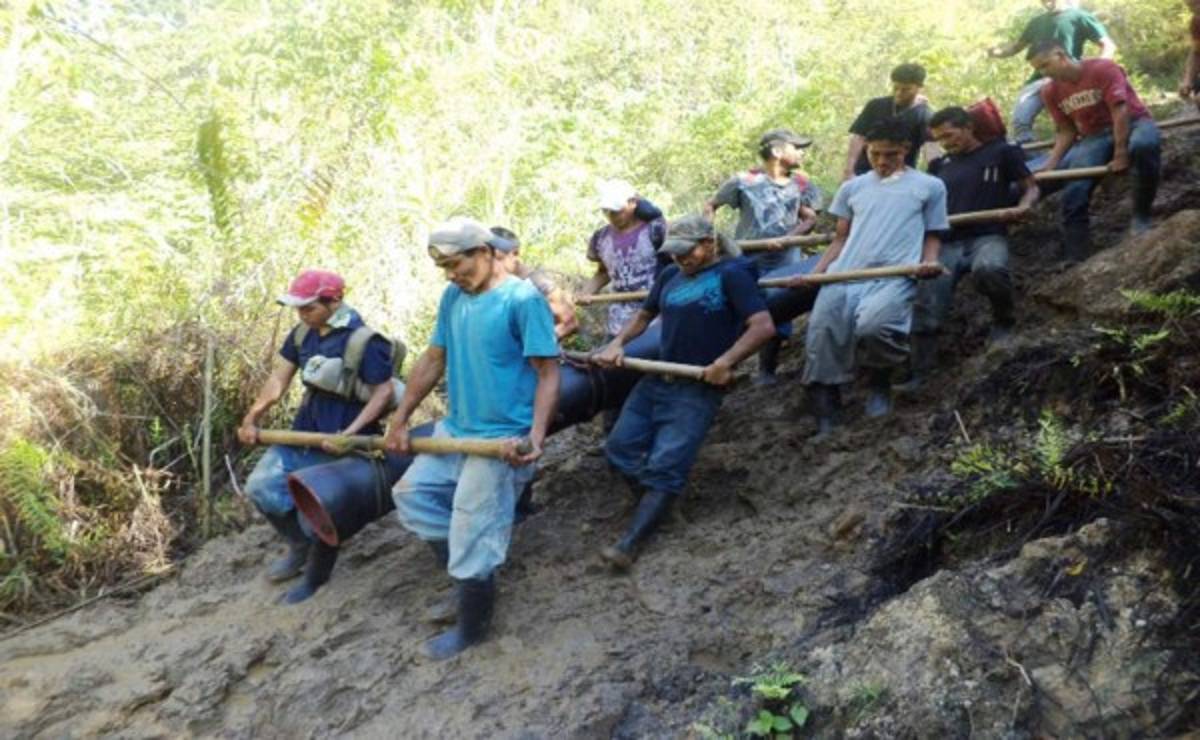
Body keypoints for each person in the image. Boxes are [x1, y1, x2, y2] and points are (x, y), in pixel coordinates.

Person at [385, 217, 559, 661]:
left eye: (456, 263)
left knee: (471, 529)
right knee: (412, 495)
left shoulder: (522, 301)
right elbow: (433, 357)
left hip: (501, 438)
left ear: (485, 252)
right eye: (443, 267)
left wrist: (535, 436)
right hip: (457, 430)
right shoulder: (452, 297)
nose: (450, 274)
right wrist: (401, 418)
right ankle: (470, 571)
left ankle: (473, 627)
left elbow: (547, 373)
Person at [592, 215, 775, 570]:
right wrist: (616, 343)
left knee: (665, 465)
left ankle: (629, 545)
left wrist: (726, 361)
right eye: (674, 253)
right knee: (619, 448)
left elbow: (762, 325)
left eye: (686, 251)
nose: (680, 258)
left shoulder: (733, 274)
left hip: (697, 386)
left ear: (709, 243)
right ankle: (663, 502)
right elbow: (644, 316)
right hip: (659, 376)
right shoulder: (669, 276)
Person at [237, 269, 397, 602]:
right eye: (299, 309)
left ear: (335, 300)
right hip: (304, 434)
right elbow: (278, 379)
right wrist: (253, 416)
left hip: (345, 444)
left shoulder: (365, 342)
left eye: (309, 308)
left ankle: (315, 576)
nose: (302, 315)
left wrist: (350, 435)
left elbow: (383, 393)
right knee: (261, 487)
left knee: (320, 510)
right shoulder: (301, 335)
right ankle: (298, 545)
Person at [785, 118, 947, 434]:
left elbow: (934, 232)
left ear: (906, 149)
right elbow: (840, 238)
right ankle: (827, 414)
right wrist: (816, 274)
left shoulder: (929, 186)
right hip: (845, 273)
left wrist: (929, 262)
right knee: (822, 334)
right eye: (875, 154)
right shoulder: (853, 188)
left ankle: (880, 383)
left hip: (895, 272)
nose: (882, 161)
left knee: (877, 326)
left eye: (891, 154)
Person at [902, 106, 1041, 389]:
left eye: (950, 135)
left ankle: (1004, 320)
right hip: (947, 241)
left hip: (988, 234)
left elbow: (1031, 187)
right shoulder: (939, 166)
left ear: (968, 127)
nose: (946, 142)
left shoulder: (1002, 152)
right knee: (927, 300)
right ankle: (920, 373)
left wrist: (1024, 207)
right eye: (940, 138)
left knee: (990, 268)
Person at [706, 128, 822, 384]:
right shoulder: (744, 181)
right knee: (743, 307)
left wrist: (788, 238)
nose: (801, 152)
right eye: (796, 147)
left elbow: (810, 217)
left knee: (782, 305)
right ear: (777, 151)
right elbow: (711, 205)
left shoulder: (801, 184)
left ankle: (766, 370)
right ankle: (721, 366)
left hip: (785, 257)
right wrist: (711, 238)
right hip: (748, 257)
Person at [1028, 39, 1161, 253]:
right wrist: (1052, 163)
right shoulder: (1050, 91)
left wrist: (1121, 152)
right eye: (1038, 69)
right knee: (1075, 186)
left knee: (1143, 146)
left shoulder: (1103, 68)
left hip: (1135, 122)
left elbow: (1120, 110)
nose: (1044, 73)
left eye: (1045, 65)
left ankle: (1141, 217)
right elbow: (1066, 130)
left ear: (1061, 55)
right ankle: (1077, 253)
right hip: (1094, 137)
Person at [987, 0, 1116, 144]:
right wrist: (997, 52)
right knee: (1020, 123)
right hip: (1037, 80)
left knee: (1068, 123)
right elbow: (1015, 48)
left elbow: (1108, 45)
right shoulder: (1036, 23)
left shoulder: (1079, 16)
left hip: (1066, 77)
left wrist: (1096, 70)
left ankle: (1070, 153)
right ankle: (1032, 162)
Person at [580, 179, 669, 341]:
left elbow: (679, 266)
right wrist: (587, 292)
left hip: (655, 321)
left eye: (616, 211)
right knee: (609, 361)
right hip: (618, 323)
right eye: (606, 211)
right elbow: (603, 272)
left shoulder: (657, 229)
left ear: (632, 203)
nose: (611, 216)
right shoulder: (601, 238)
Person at [843, 64, 935, 181]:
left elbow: (931, 146)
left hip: (900, 176)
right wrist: (849, 170)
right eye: (896, 88)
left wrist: (935, 172)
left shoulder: (924, 115)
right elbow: (858, 137)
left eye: (905, 89)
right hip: (864, 172)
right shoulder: (876, 105)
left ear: (919, 87)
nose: (899, 93)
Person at [491, 226, 579, 340]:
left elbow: (570, 324)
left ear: (514, 254)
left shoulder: (539, 284)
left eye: (498, 258)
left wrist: (537, 343)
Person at [1179, 0, 1200, 109]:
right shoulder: (1196, 22)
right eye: (1190, 5)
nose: (1195, 8)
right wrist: (1187, 80)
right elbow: (1196, 53)